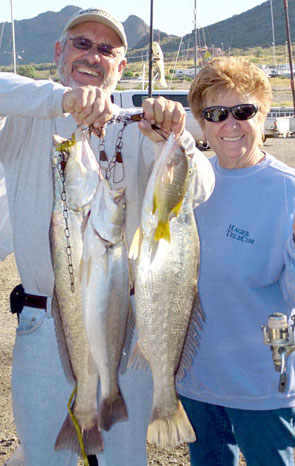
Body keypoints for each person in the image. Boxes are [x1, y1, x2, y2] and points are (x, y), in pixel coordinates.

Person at [0, 7, 214, 466]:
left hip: (126, 317)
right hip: (42, 320)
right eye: (81, 44)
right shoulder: (24, 117)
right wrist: (61, 101)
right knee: (44, 458)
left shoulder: (140, 128)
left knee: (124, 461)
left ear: (120, 67)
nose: (92, 56)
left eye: (106, 50)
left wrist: (173, 140)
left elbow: (200, 190)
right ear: (59, 51)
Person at [176, 56, 295, 466]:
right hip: (196, 381)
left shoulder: (290, 189)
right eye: (215, 113)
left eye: (243, 111)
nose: (230, 124)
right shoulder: (187, 183)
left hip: (263, 384)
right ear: (201, 122)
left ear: (263, 116)